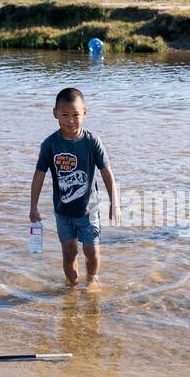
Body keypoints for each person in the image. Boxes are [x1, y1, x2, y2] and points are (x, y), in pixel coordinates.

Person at [29, 87, 118, 286]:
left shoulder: (92, 142)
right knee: (69, 253)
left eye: (76, 115)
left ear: (85, 113)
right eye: (65, 115)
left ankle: (92, 280)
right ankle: (72, 288)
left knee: (91, 251)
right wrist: (33, 207)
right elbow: (38, 176)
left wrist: (115, 202)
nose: (70, 120)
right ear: (55, 114)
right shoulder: (50, 144)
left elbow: (106, 172)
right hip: (63, 212)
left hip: (89, 210)